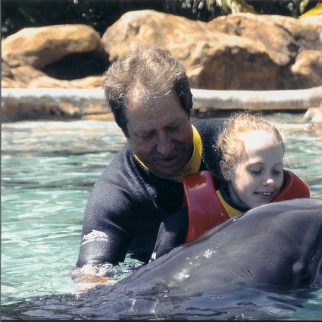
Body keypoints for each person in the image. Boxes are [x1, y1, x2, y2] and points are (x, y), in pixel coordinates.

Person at [74, 44, 226, 282]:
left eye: (173, 127)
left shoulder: (234, 147)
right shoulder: (116, 193)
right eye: (147, 135)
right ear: (125, 131)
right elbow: (89, 280)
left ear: (189, 109)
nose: (165, 147)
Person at [152, 113, 309, 258]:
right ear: (227, 170)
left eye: (276, 171)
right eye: (256, 171)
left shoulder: (291, 213)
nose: (270, 181)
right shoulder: (183, 222)